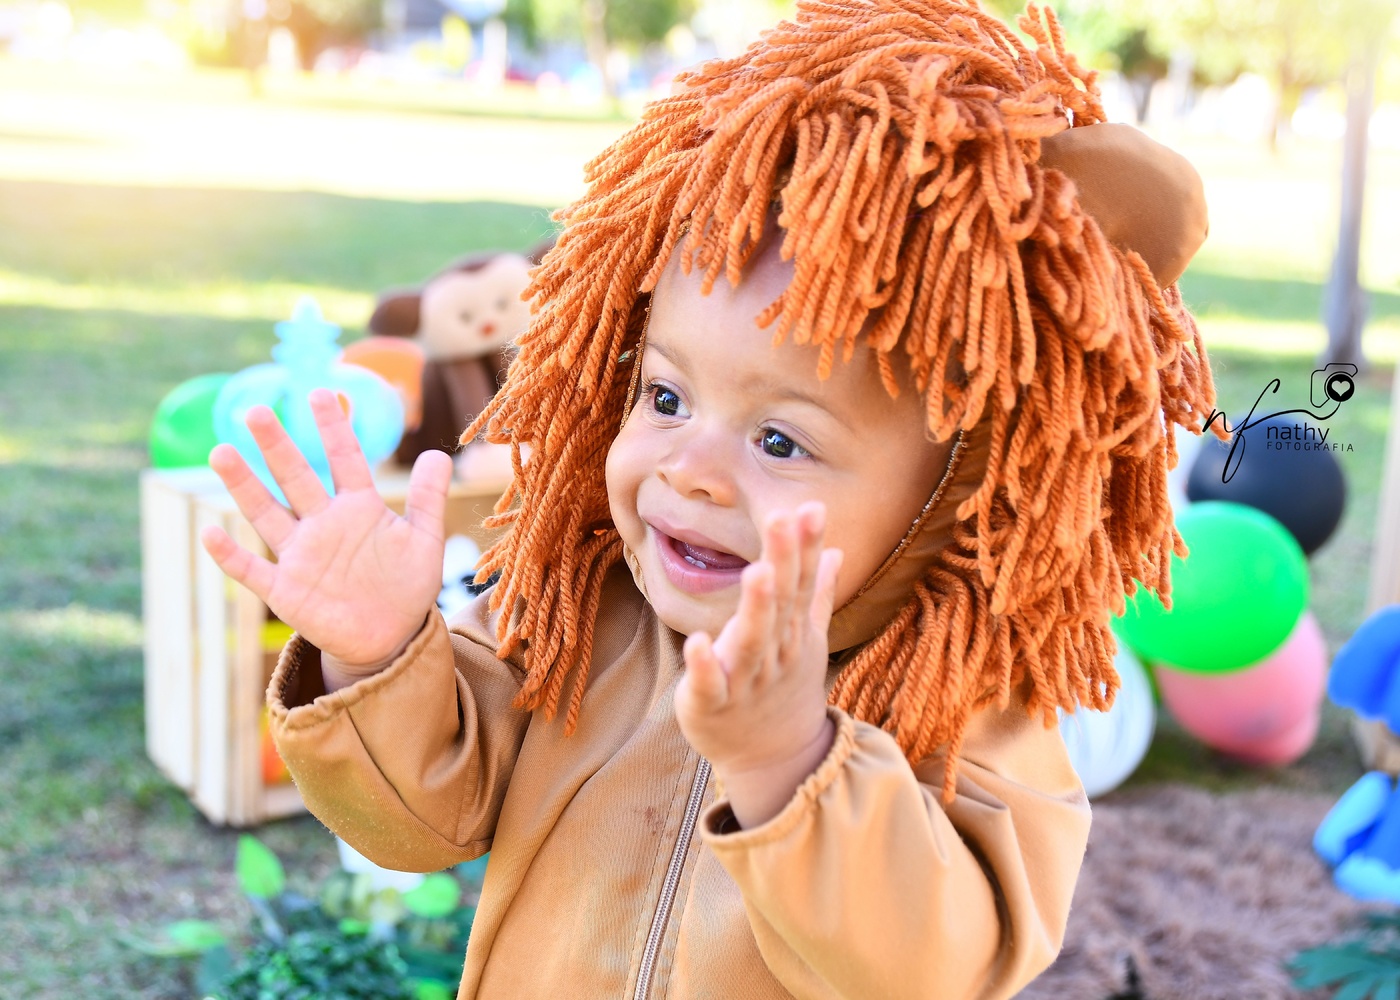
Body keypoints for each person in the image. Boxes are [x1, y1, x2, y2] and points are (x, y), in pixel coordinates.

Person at [201, 2, 1215, 997]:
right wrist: (377, 658)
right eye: (666, 397)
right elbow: (419, 820)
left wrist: (791, 768)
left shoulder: (971, 716)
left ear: (959, 491)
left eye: (780, 441)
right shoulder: (576, 620)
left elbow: (935, 965)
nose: (689, 469)